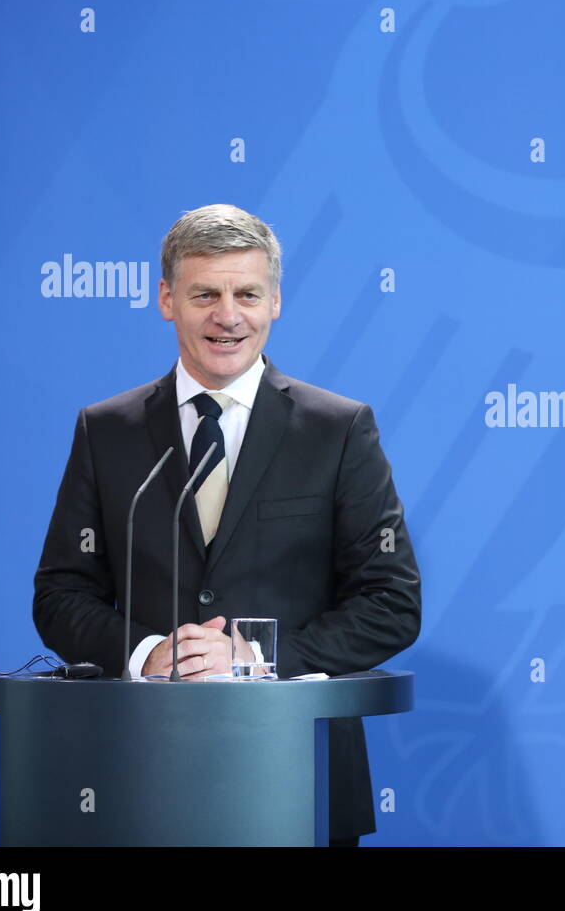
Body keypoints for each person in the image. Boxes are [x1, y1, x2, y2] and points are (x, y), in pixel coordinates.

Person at [33, 204, 421, 845]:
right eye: (204, 294)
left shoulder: (338, 429)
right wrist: (148, 653)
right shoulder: (107, 431)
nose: (228, 316)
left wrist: (258, 656)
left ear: (274, 302)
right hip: (140, 771)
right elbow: (60, 594)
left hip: (299, 773)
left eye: (247, 293)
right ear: (166, 300)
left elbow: (391, 602)